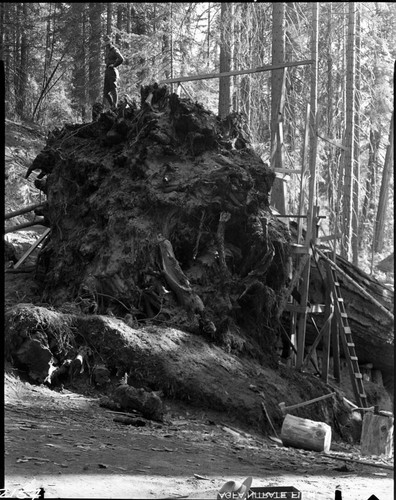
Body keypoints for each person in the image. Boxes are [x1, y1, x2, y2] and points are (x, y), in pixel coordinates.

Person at [103, 35, 124, 110]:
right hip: (107, 71)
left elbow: (121, 59)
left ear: (111, 42)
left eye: (108, 43)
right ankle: (112, 106)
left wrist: (114, 65)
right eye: (106, 44)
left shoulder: (115, 50)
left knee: (113, 88)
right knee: (106, 92)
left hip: (112, 72)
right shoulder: (108, 51)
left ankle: (114, 105)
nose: (107, 45)